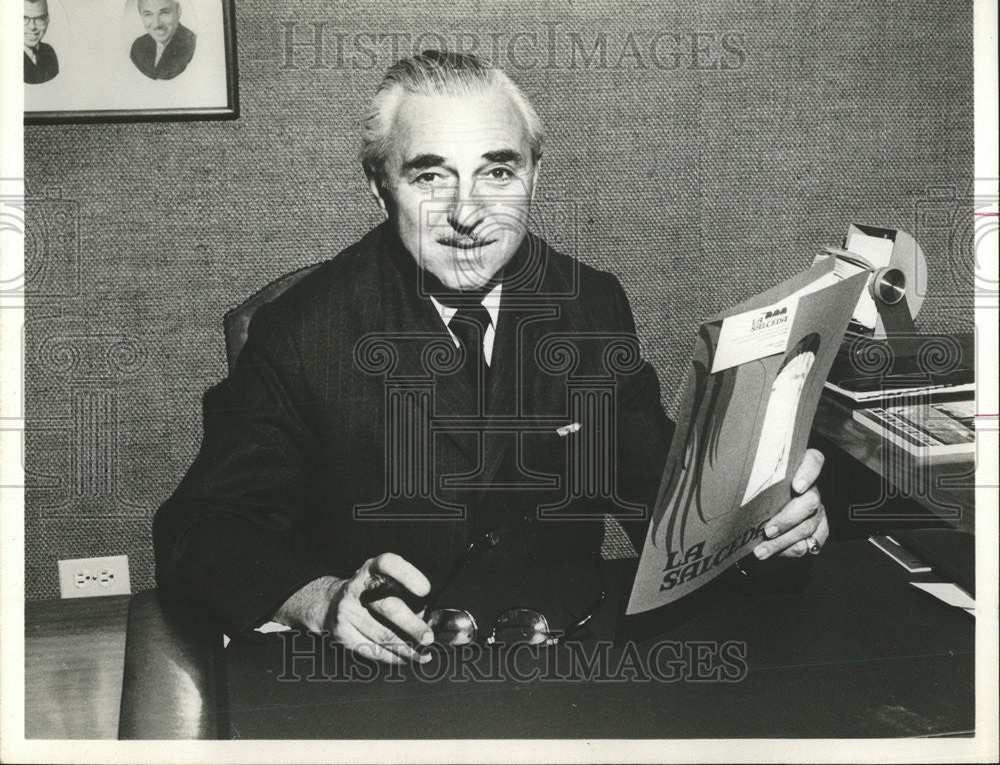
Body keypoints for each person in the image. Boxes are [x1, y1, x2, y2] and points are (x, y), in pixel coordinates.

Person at [153, 50, 829, 665]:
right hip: (384, 675)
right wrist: (324, 599)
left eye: (497, 171)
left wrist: (762, 524)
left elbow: (660, 504)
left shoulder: (590, 304)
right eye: (430, 176)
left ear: (534, 173)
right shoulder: (302, 331)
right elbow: (201, 529)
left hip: (567, 663)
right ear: (378, 184)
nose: (468, 212)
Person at [129, 0, 196, 81]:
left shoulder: (191, 45)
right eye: (148, 14)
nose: (157, 24)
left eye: (164, 12)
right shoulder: (138, 47)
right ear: (140, 15)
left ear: (178, 11)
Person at [24, 0, 59, 85]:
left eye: (39, 19)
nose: (32, 27)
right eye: (24, 19)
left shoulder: (48, 52)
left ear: (47, 20)